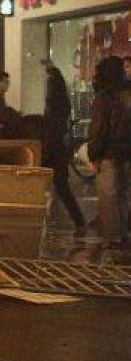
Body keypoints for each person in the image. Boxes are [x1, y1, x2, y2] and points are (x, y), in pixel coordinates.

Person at [87, 56, 131, 250]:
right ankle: (122, 234)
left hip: (109, 153)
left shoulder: (104, 98)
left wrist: (93, 155)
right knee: (122, 195)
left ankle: (112, 238)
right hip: (127, 153)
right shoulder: (127, 95)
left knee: (108, 196)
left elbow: (99, 129)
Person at [42, 64, 87, 237]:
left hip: (53, 150)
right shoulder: (61, 106)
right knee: (62, 187)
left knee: (60, 187)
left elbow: (53, 131)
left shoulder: (54, 108)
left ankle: (77, 220)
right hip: (57, 150)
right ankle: (78, 220)